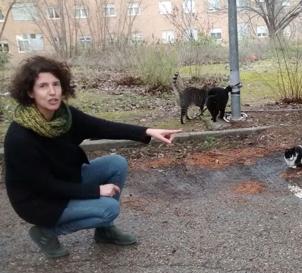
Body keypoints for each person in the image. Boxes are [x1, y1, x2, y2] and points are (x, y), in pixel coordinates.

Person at [3, 55, 182, 258]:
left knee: (116, 163)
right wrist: (96, 190)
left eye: (56, 84)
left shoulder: (63, 116)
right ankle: (46, 232)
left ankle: (104, 231)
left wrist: (147, 131)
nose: (52, 92)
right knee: (109, 208)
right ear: (30, 92)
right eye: (43, 86)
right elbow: (46, 186)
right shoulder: (20, 138)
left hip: (65, 180)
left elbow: (102, 126)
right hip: (40, 201)